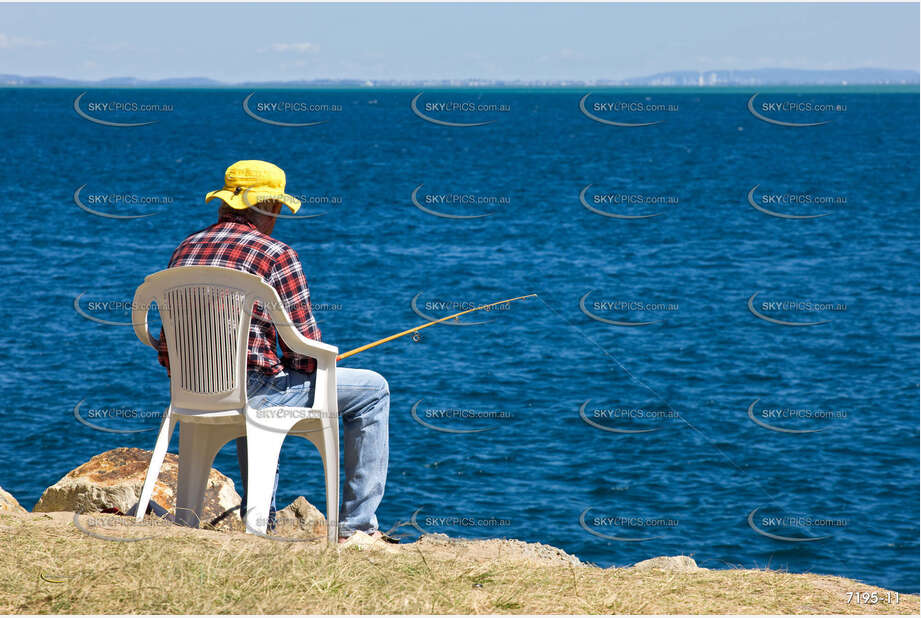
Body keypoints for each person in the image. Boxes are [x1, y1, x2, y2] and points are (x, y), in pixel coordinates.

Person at [156, 160, 391, 543]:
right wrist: (316, 364)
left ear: (226, 202)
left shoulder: (187, 247)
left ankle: (260, 520)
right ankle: (356, 528)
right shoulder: (276, 254)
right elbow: (305, 353)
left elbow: (166, 345)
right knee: (372, 390)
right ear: (271, 207)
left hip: (192, 393)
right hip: (256, 393)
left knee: (261, 386)